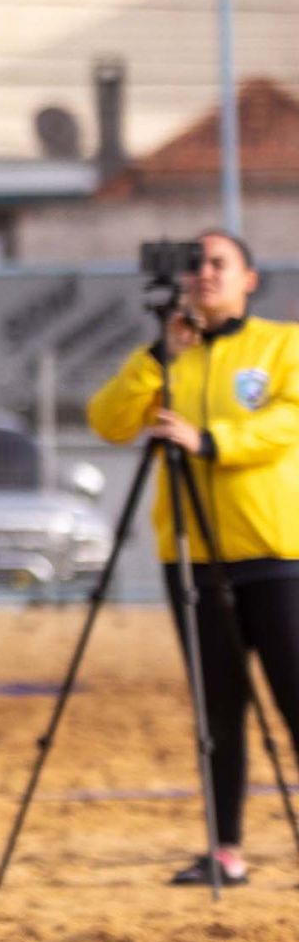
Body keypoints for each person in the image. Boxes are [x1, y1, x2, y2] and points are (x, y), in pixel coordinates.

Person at [85, 228, 299, 887]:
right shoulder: (166, 354)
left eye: (219, 263)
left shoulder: (283, 344)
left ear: (248, 278)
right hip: (194, 558)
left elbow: (288, 419)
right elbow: (109, 419)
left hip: (273, 551)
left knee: (295, 698)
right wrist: (158, 355)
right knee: (217, 708)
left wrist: (212, 439)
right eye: (195, 264)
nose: (204, 274)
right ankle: (226, 848)